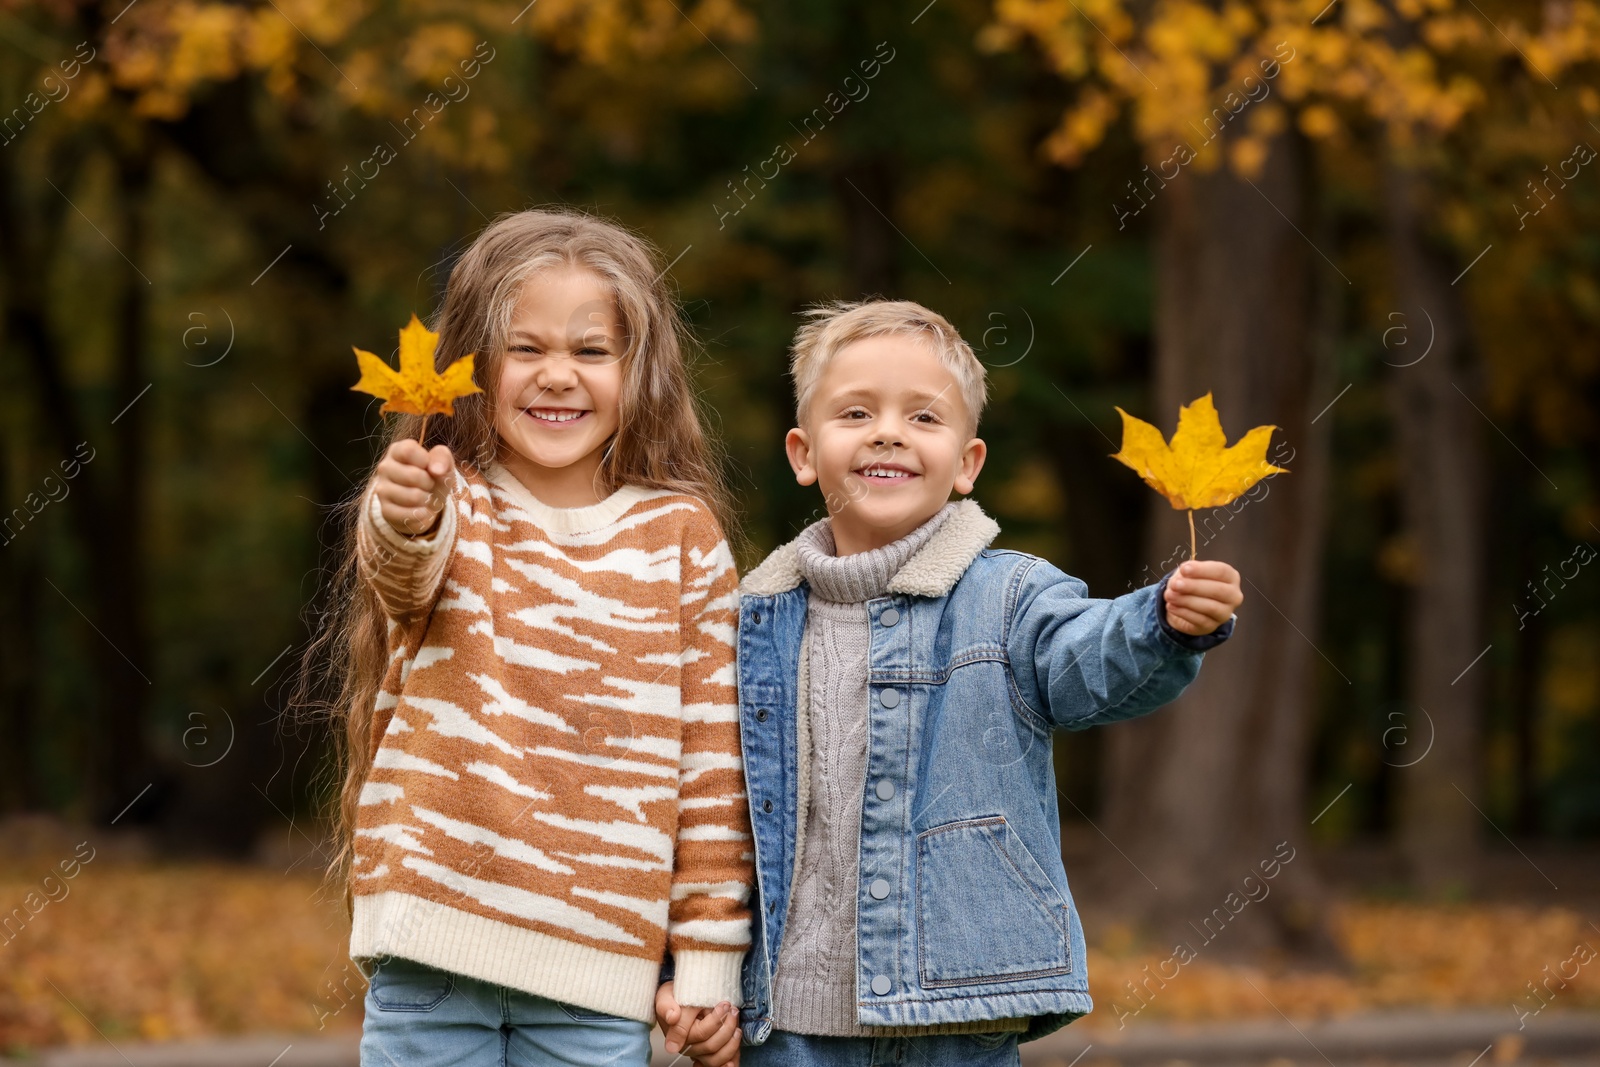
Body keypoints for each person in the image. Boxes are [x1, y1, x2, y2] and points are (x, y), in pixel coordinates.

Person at [658, 299, 1242, 1067]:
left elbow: (1082, 662)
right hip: (788, 1022)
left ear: (968, 464)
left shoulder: (1010, 597)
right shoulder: (750, 622)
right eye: (857, 411)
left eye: (924, 418)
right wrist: (688, 972)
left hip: (955, 1010)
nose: (889, 431)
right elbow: (708, 810)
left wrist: (1161, 622)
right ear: (804, 453)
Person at [310, 208, 752, 1067]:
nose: (558, 376)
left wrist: (707, 963)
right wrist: (403, 508)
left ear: (641, 370)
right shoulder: (452, 504)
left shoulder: (682, 539)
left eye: (591, 351)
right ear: (473, 365)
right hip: (434, 947)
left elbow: (712, 765)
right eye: (526, 348)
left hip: (600, 972)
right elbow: (401, 564)